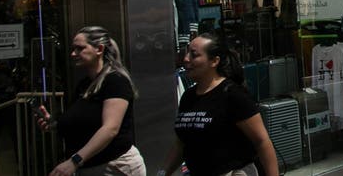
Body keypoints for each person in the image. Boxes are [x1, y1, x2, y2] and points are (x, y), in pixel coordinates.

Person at [158, 32, 278, 176]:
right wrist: (163, 172)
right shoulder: (188, 97)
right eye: (186, 52)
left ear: (214, 61)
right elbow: (181, 142)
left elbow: (262, 141)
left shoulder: (233, 95)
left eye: (194, 55)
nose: (186, 59)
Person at [35, 26, 144, 176]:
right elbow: (83, 121)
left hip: (116, 167)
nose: (73, 54)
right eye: (73, 49)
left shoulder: (116, 81)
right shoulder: (85, 84)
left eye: (80, 48)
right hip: (90, 168)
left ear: (99, 49)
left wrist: (75, 161)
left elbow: (110, 129)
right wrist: (55, 123)